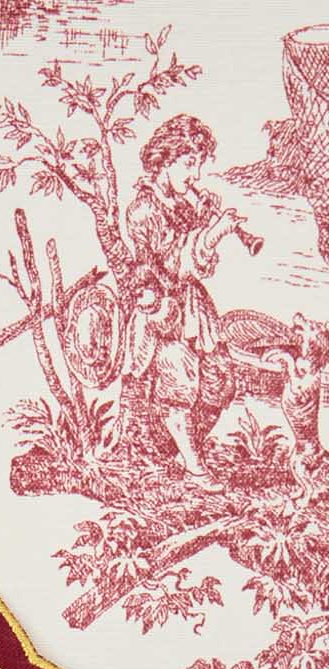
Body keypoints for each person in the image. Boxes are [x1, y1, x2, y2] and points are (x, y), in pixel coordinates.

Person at [120, 112, 251, 480]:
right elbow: (174, 264)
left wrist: (208, 220)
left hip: (192, 306)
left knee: (221, 379)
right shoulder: (144, 209)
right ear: (163, 162)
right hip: (160, 306)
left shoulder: (182, 201)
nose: (195, 175)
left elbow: (201, 268)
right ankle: (194, 466)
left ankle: (178, 452)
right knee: (178, 381)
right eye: (188, 164)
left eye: (198, 165)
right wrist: (213, 233)